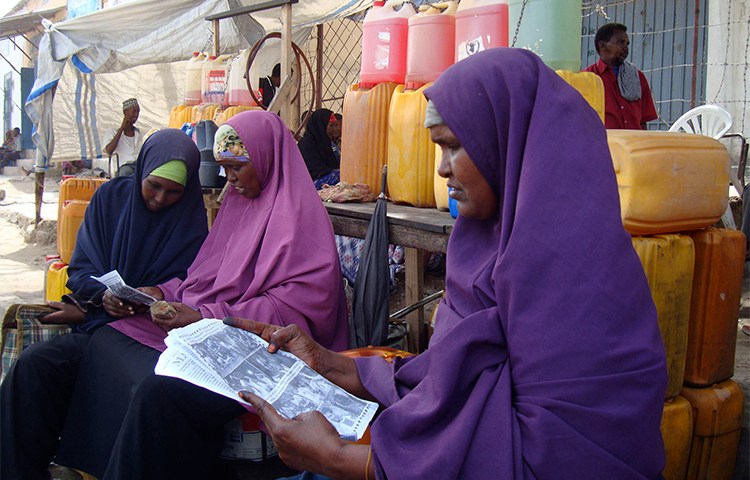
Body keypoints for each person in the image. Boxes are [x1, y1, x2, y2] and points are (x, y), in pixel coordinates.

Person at [228, 48, 669, 479]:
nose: (441, 169)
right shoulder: (483, 245)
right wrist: (326, 363)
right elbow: (450, 376)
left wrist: (342, 461)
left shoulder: (578, 278)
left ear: (509, 143)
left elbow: (554, 458)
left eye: (454, 147)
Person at [33, 110, 349, 480]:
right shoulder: (239, 205)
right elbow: (204, 277)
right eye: (224, 168)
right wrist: (161, 293)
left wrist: (204, 316)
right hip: (220, 331)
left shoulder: (301, 220)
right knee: (107, 340)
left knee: (158, 391)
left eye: (237, 167)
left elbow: (297, 312)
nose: (229, 179)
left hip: (268, 353)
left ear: (267, 159)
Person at [0, 128, 209, 479]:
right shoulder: (110, 200)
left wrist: (157, 293)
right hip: (98, 324)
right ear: (142, 170)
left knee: (137, 383)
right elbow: (81, 269)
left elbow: (195, 286)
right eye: (153, 185)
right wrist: (103, 297)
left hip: (149, 337)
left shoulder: (191, 223)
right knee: (35, 367)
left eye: (173, 191)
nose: (160, 199)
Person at [584, 23, 658, 130]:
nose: (625, 48)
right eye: (621, 42)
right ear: (602, 46)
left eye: (627, 44)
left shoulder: (638, 77)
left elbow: (643, 121)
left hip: (633, 144)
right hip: (604, 144)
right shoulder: (587, 78)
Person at [298, 108, 341, 189]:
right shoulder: (306, 144)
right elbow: (315, 171)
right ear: (322, 125)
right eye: (331, 125)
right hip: (310, 184)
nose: (335, 129)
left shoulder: (326, 143)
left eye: (336, 125)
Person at [104, 98, 145, 170]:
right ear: (125, 112)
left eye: (138, 112)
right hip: (122, 167)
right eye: (134, 111)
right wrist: (121, 129)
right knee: (126, 172)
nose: (136, 115)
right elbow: (109, 151)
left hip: (138, 166)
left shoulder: (139, 133)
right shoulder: (112, 131)